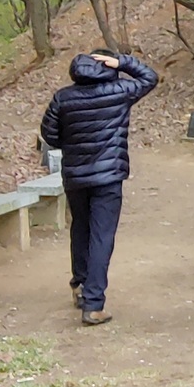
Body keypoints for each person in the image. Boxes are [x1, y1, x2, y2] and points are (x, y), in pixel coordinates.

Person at [40, 49, 158, 325]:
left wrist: (73, 145)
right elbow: (150, 77)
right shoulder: (119, 91)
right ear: (108, 66)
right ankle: (93, 304)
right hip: (108, 177)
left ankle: (80, 285)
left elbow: (49, 135)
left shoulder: (63, 97)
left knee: (80, 228)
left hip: (75, 176)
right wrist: (124, 62)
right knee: (102, 236)